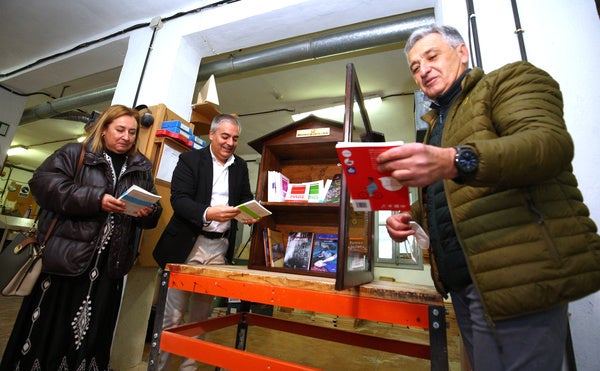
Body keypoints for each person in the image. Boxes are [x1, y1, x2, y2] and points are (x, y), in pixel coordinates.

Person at [377, 25, 600, 370]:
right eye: (415, 67)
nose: (423, 70)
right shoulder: (437, 123)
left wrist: (454, 159)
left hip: (516, 278)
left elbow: (549, 146)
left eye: (431, 56)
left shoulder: (508, 81)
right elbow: (451, 194)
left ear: (462, 52)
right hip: (465, 286)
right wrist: (411, 215)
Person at [0, 104, 162, 370]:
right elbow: (42, 185)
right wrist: (96, 199)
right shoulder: (76, 153)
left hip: (109, 268)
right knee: (51, 329)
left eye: (132, 132)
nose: (126, 137)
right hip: (67, 262)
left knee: (95, 332)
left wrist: (147, 212)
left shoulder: (141, 167)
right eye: (120, 129)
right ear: (105, 128)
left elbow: (155, 213)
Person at [153, 113, 260, 370]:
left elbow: (244, 198)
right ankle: (161, 367)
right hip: (189, 244)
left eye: (235, 138)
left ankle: (188, 368)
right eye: (225, 136)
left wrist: (249, 214)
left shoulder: (241, 166)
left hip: (219, 249)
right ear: (211, 135)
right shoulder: (190, 159)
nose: (230, 143)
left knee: (202, 316)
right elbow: (179, 200)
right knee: (173, 316)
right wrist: (207, 212)